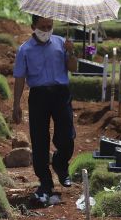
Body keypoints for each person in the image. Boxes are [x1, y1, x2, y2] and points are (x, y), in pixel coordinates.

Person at [13, 15, 78, 203]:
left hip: (61, 93)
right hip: (39, 95)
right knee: (39, 139)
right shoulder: (24, 50)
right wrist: (16, 104)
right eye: (42, 26)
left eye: (49, 26)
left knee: (66, 136)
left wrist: (71, 52)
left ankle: (60, 163)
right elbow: (19, 78)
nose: (46, 30)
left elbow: (73, 67)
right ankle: (46, 182)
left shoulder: (61, 43)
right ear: (33, 26)